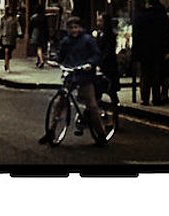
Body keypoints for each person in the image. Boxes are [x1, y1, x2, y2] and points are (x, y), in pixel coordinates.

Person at [41, 16, 106, 145]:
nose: (73, 30)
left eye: (76, 27)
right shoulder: (66, 41)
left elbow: (97, 54)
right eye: (71, 28)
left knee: (92, 105)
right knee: (59, 103)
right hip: (71, 74)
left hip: (85, 76)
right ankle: (51, 132)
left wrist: (90, 64)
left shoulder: (87, 40)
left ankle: (101, 134)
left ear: (80, 28)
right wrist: (55, 61)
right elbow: (61, 55)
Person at [132, 0, 169, 106]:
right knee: (156, 75)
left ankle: (144, 98)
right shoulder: (161, 16)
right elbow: (167, 34)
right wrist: (167, 50)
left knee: (145, 75)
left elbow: (136, 35)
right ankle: (156, 98)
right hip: (158, 50)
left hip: (144, 51)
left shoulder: (140, 16)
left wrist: (135, 52)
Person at [95, 13, 120, 105]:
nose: (98, 23)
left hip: (108, 66)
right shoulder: (98, 34)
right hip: (101, 66)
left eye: (100, 21)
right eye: (97, 20)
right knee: (98, 90)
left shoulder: (110, 35)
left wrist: (100, 63)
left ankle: (116, 108)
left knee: (111, 89)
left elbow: (108, 52)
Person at [0, 7, 19, 72]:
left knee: (9, 52)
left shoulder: (15, 19)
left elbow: (18, 26)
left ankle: (7, 63)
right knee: (6, 51)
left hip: (12, 37)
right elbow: (0, 27)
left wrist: (19, 33)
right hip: (5, 37)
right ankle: (7, 65)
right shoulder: (3, 18)